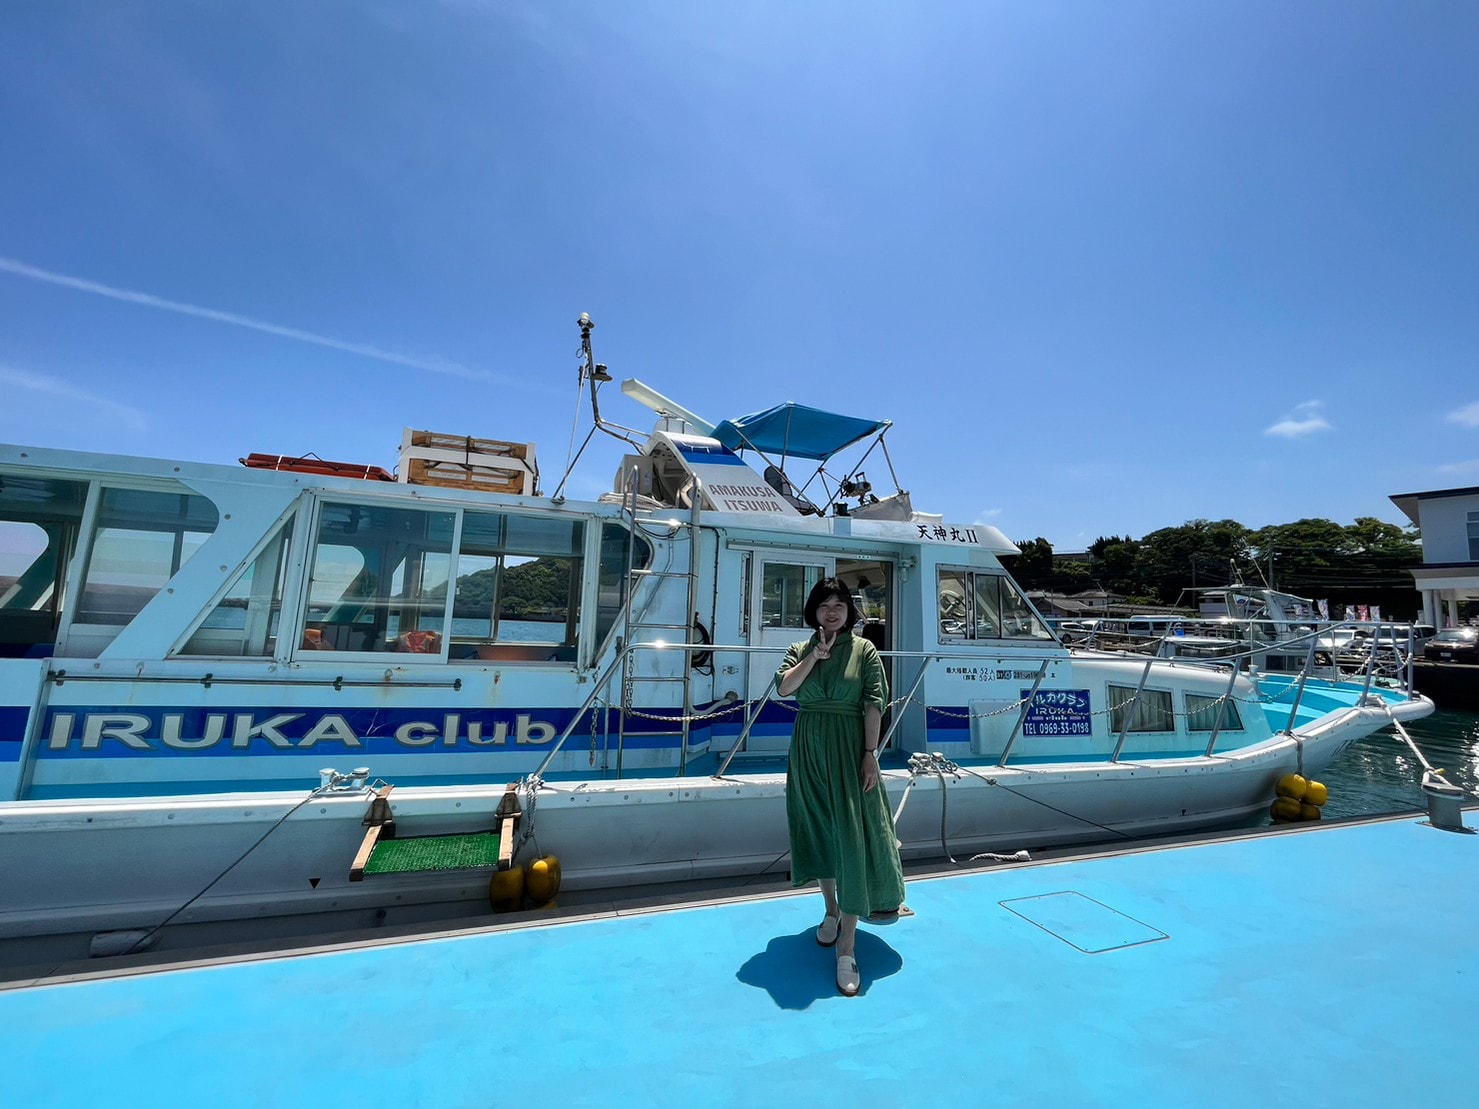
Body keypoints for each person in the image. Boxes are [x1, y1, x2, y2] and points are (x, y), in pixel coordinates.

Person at [777, 576, 905, 997]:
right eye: (823, 605)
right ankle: (830, 911)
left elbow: (873, 703)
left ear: (849, 611)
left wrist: (870, 753)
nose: (831, 612)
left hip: (849, 748)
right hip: (808, 749)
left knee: (851, 838)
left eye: (839, 605)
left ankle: (847, 945)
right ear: (813, 611)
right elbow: (785, 688)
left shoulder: (864, 650)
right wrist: (815, 657)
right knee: (817, 832)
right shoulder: (800, 650)